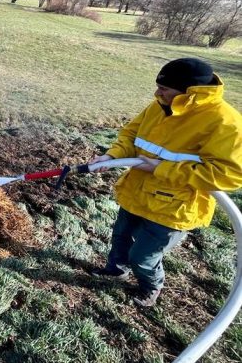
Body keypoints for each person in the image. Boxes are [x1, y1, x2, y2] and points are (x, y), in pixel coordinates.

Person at [90, 58, 242, 307]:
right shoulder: (160, 105)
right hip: (137, 192)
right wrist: (112, 156)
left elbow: (229, 175)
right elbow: (131, 134)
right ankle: (115, 271)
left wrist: (162, 168)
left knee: (143, 257)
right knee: (120, 239)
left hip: (173, 207)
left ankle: (150, 287)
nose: (157, 93)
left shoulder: (226, 123)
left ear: (189, 93)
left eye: (164, 89)